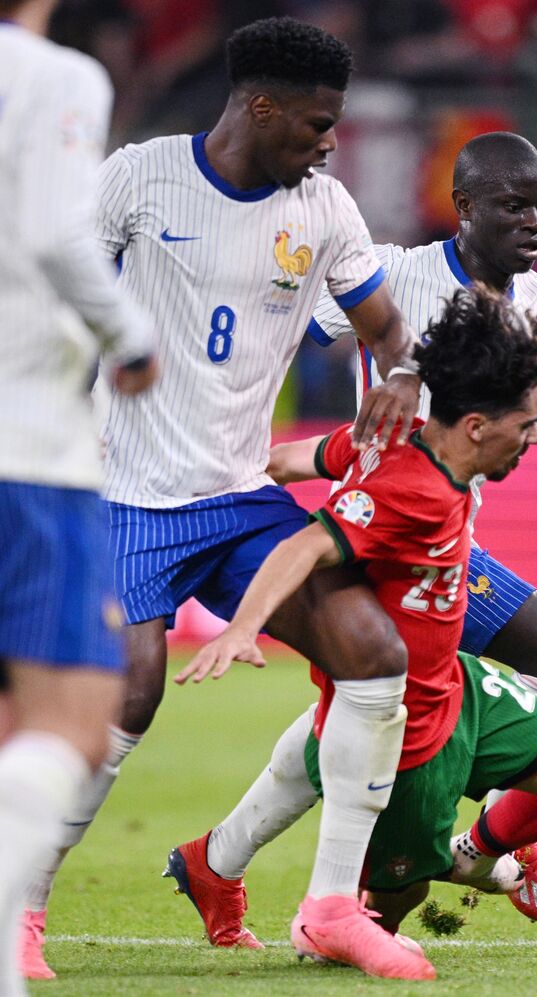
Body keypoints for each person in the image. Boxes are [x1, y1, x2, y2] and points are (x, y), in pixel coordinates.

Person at [164, 129, 537, 948]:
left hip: (447, 528)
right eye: (515, 206)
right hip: (381, 524)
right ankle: (365, 891)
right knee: (392, 699)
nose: (534, 222)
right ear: (466, 207)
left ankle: (247, 859)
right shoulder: (393, 275)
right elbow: (282, 328)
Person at [21, 17, 427, 982]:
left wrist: (404, 370)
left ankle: (329, 906)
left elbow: (386, 327)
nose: (330, 143)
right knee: (128, 687)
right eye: (317, 123)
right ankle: (20, 904)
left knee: (375, 654)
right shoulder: (138, 176)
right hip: (122, 494)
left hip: (241, 498)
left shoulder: (325, 209)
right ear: (260, 106)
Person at [176, 288, 537, 975]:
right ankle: (332, 914)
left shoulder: (408, 448)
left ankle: (474, 854)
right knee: (393, 903)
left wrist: (248, 464)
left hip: (461, 687)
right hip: (405, 736)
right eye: (526, 427)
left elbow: (293, 460)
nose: (534, 441)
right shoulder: (403, 487)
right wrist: (244, 624)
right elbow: (306, 547)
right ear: (477, 425)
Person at [0, 1, 158, 991]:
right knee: (74, 715)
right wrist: (129, 338)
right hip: (25, 440)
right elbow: (59, 237)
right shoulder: (54, 77)